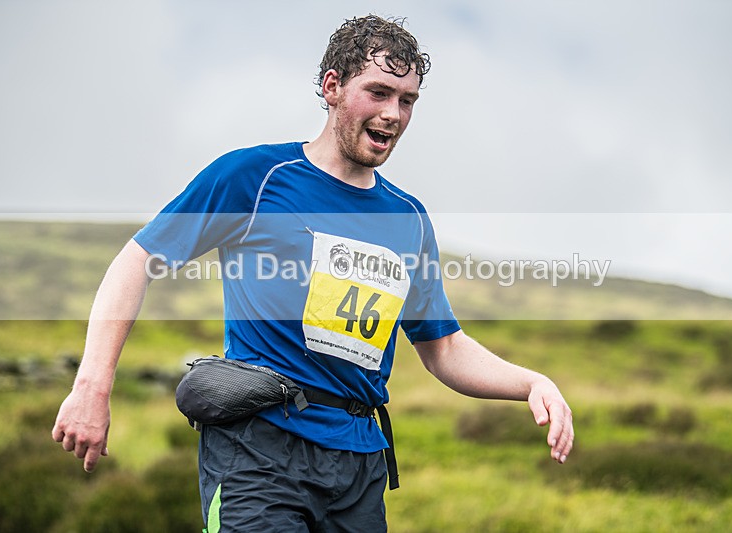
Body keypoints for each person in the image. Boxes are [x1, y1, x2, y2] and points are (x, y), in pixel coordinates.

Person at [52, 14, 573, 532]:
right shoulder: (254, 178)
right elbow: (137, 262)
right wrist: (93, 388)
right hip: (257, 451)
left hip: (359, 462)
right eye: (379, 92)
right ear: (333, 87)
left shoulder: (408, 218)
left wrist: (531, 382)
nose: (393, 114)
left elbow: (443, 348)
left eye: (407, 100)